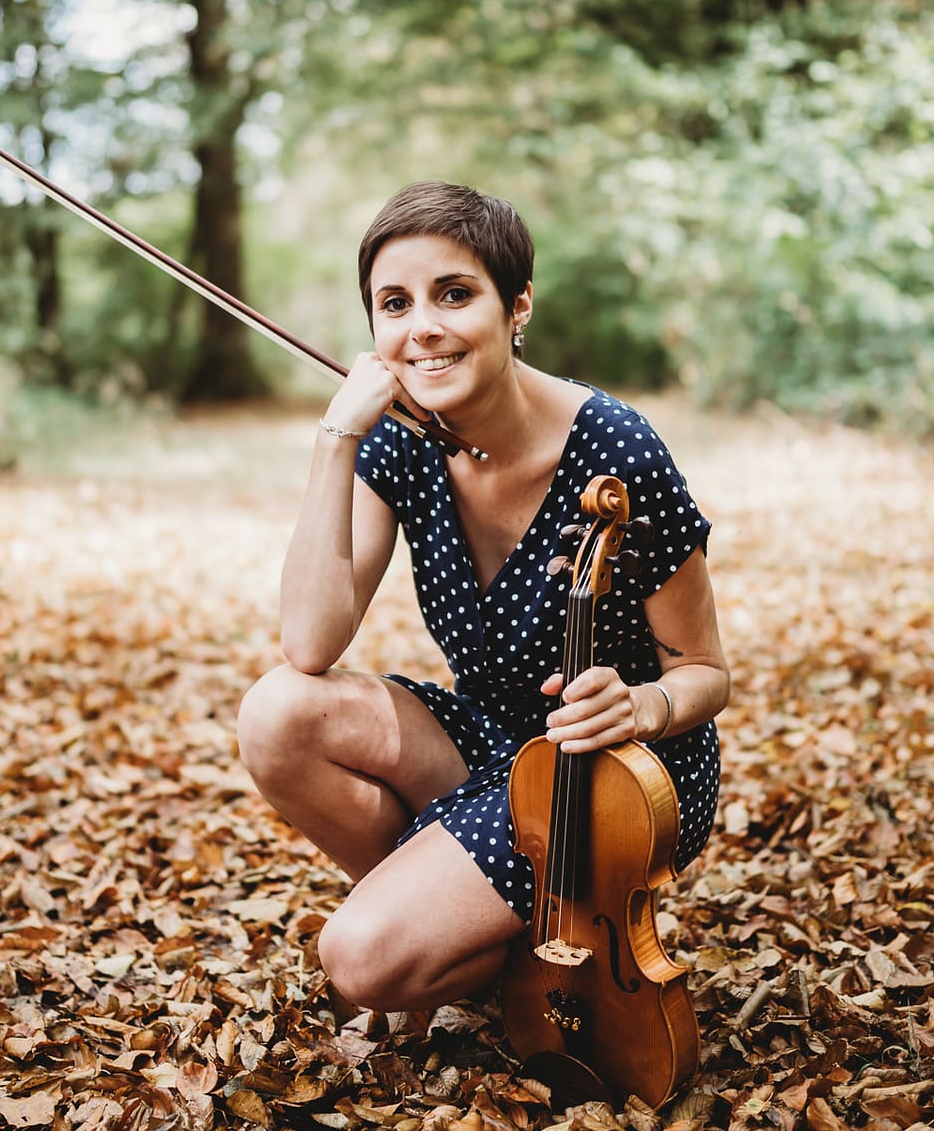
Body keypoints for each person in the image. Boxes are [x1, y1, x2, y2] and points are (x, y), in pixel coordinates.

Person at [237, 182, 729, 1017]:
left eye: (454, 294)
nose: (421, 326)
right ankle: (492, 940)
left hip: (610, 773)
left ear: (517, 305)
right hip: (487, 740)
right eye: (395, 304)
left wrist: (640, 705)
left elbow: (706, 673)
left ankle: (448, 931)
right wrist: (336, 439)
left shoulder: (617, 450)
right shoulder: (400, 438)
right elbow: (310, 645)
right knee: (278, 713)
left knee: (358, 960)